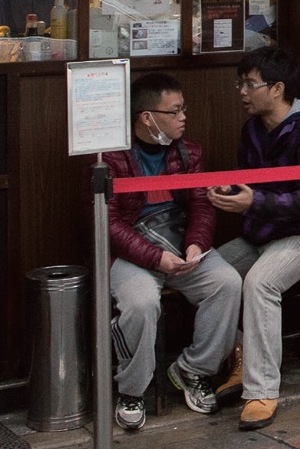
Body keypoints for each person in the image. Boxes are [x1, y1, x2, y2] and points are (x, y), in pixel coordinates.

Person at [203, 47, 300, 431]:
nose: (242, 91)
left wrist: (253, 202)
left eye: (250, 84)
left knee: (260, 282)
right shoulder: (253, 129)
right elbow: (251, 185)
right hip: (262, 231)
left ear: (277, 89)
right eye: (240, 83)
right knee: (207, 274)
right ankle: (238, 358)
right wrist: (230, 191)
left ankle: (262, 391)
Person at [103, 72, 232, 430]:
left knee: (227, 282)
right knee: (142, 302)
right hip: (131, 249)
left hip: (178, 238)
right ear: (147, 117)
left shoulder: (189, 152)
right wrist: (155, 258)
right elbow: (107, 224)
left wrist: (196, 244)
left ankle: (192, 370)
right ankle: (132, 389)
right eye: (175, 111)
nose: (183, 118)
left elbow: (202, 206)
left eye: (183, 110)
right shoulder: (109, 157)